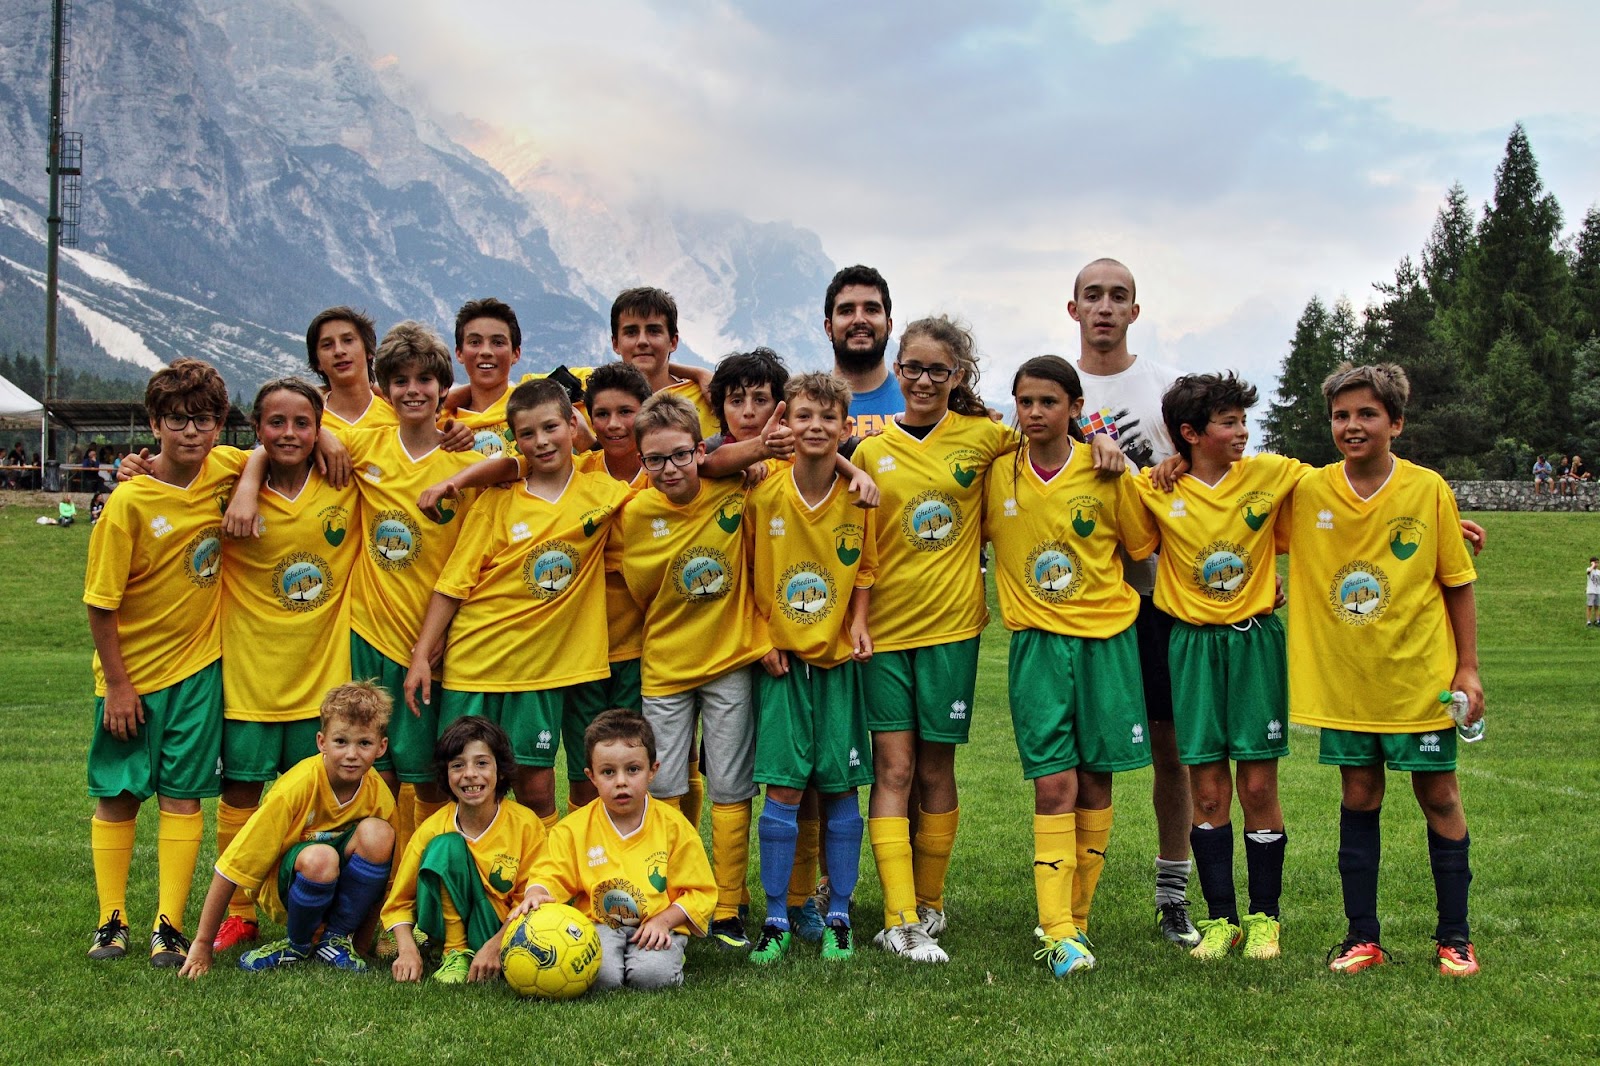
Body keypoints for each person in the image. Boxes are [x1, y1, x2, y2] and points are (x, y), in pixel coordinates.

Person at [1286, 362, 1484, 978]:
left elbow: (1457, 582)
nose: (1352, 425)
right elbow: (1239, 516)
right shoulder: (1308, 491)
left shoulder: (1427, 489)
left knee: (1440, 795)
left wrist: (1469, 669)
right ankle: (1361, 936)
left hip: (1419, 680)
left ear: (1395, 423)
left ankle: (1455, 938)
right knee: (1358, 794)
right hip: (1347, 681)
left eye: (1367, 414)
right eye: (1341, 415)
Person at [848, 316, 1024, 962]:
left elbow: (1049, 447)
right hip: (886, 632)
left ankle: (929, 903)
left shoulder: (985, 438)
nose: (923, 380)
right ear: (897, 370)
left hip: (953, 628)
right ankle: (898, 917)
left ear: (958, 375)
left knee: (935, 768)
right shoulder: (869, 452)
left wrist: (1105, 446)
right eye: (913, 368)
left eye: (937, 370)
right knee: (893, 767)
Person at [984, 355, 1159, 976]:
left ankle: (1076, 920)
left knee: (1097, 781)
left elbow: (1143, 548)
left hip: (1106, 643)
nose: (1035, 413)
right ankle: (1056, 929)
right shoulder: (995, 473)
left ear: (1075, 408)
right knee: (1053, 783)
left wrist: (1113, 452)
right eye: (1025, 402)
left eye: (1049, 402)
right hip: (1037, 646)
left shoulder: (1108, 471)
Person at [1135, 372, 1308, 961]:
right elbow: (1120, 533)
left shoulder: (1272, 474)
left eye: (1242, 421)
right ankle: (1220, 921)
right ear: (1190, 434)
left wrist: (1440, 516)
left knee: (1257, 784)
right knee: (1207, 792)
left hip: (1253, 642)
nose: (1242, 432)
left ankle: (1264, 919)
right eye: (1228, 423)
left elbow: (1351, 490)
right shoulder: (1155, 488)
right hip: (1189, 647)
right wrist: (1165, 467)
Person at [83, 358, 250, 967]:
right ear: (154, 424)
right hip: (130, 677)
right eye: (177, 420)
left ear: (219, 425)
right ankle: (111, 921)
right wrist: (118, 685)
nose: (191, 432)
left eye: (203, 420)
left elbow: (266, 452)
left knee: (183, 796)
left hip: (197, 672)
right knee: (119, 794)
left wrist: (251, 482)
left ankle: (169, 926)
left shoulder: (225, 469)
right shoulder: (128, 501)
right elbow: (100, 604)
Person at [405, 379, 628, 823]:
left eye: (550, 428)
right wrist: (421, 657)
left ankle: (538, 869)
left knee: (536, 788)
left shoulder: (605, 493)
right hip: (475, 663)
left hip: (538, 672)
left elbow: (667, 481)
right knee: (464, 785)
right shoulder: (498, 501)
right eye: (528, 434)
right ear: (515, 440)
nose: (541, 441)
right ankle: (457, 865)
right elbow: (453, 585)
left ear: (572, 425)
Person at [1068, 257, 1200, 947]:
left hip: (1159, 596)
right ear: (1073, 310)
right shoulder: (1052, 390)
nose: (1105, 307)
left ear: (1135, 311)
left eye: (1118, 296)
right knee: (1087, 759)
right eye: (1093, 296)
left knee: (1172, 752)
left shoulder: (1166, 390)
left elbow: (1216, 475)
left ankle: (1172, 894)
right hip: (1085, 600)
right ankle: (1071, 901)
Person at [207, 379, 362, 954]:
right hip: (251, 677)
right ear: (256, 429)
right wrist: (249, 478)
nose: (289, 433)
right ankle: (239, 914)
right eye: (276, 422)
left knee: (316, 801)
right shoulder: (229, 478)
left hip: (321, 681)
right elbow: (177, 467)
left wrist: (331, 440)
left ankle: (312, 908)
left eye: (303, 423)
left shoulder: (345, 479)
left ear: (320, 428)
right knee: (242, 794)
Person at [621, 392, 770, 949]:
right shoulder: (638, 513)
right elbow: (640, 590)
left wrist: (751, 460)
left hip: (728, 661)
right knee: (662, 785)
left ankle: (728, 904)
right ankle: (671, 898)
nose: (670, 468)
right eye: (655, 459)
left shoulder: (732, 486)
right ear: (642, 461)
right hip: (665, 666)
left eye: (681, 455)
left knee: (731, 783)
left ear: (700, 452)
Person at [744, 372, 877, 964]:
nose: (816, 426)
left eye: (828, 417)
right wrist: (760, 638)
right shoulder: (764, 492)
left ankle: (839, 913)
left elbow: (866, 569)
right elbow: (745, 574)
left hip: (837, 662)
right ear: (786, 423)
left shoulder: (860, 497)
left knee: (842, 785)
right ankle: (776, 915)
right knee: (784, 787)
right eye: (804, 416)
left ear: (846, 427)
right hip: (782, 663)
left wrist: (859, 623)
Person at [179, 681, 397, 976]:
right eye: (341, 741)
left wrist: (361, 945)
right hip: (287, 886)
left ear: (381, 747)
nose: (351, 754)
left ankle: (336, 941)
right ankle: (297, 943)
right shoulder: (295, 788)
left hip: (337, 885)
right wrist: (202, 944)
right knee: (321, 858)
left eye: (364, 744)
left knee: (379, 834)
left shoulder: (379, 794)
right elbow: (230, 867)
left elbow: (384, 882)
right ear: (321, 741)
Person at [515, 709, 716, 991]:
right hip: (598, 924)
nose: (621, 781)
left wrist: (664, 921)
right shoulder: (573, 829)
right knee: (601, 978)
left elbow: (700, 892)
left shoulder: (674, 827)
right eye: (608, 772)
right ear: (592, 776)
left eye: (633, 769)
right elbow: (550, 873)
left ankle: (668, 957)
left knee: (651, 977)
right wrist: (536, 892)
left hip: (658, 923)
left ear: (652, 770)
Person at [384, 717, 547, 984]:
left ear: (500, 771)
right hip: (443, 926)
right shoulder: (433, 827)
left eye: (481, 763)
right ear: (446, 775)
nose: (470, 774)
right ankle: (454, 951)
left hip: (502, 926)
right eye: (457, 765)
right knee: (445, 846)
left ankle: (487, 951)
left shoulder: (526, 825)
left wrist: (496, 945)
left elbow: (531, 901)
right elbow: (400, 902)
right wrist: (407, 951)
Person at [824, 265, 901, 440]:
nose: (859, 319)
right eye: (847, 311)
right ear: (829, 328)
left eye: (871, 310)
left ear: (889, 326)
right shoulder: (802, 409)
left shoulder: (916, 402)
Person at [305, 306, 398, 431]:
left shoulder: (398, 414)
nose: (339, 351)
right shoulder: (309, 422)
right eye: (327, 345)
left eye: (348, 340)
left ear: (368, 350)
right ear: (317, 362)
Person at [1586, 557, 1599, 627]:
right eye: (1595, 562)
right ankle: (1588, 621)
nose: (1597, 564)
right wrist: (1593, 565)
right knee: (1589, 606)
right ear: (1592, 563)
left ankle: (1597, 620)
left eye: (1598, 562)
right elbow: (1588, 572)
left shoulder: (1599, 572)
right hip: (1591, 591)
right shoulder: (1589, 569)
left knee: (1597, 607)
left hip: (1598, 591)